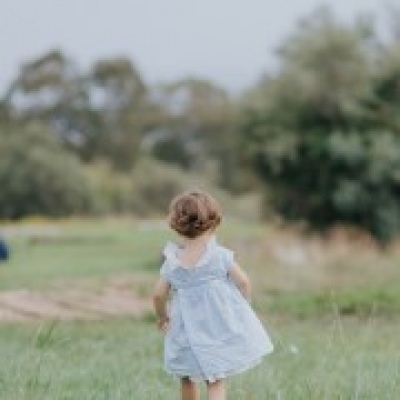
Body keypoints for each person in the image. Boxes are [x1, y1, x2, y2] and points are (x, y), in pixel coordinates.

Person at [152, 190, 273, 400]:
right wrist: (242, 305)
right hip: (217, 327)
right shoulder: (219, 256)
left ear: (177, 225)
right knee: (215, 380)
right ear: (213, 222)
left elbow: (158, 295)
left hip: (185, 331)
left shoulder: (172, 262)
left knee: (187, 377)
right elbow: (244, 282)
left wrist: (163, 316)